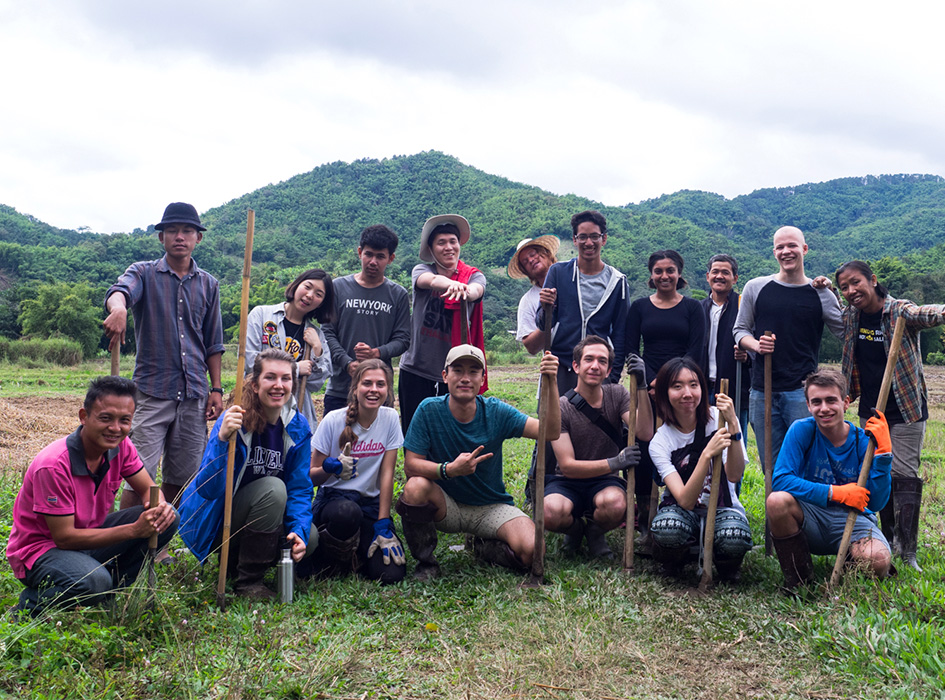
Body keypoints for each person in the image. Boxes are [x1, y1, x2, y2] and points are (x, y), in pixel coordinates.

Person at [7, 376, 179, 616]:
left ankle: (106, 594)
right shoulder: (54, 465)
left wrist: (158, 506)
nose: (115, 428)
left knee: (168, 518)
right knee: (95, 581)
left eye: (124, 420)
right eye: (105, 418)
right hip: (41, 551)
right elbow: (65, 538)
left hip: (89, 537)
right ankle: (27, 609)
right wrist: (133, 531)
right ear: (84, 416)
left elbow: (147, 489)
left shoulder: (120, 447)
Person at [103, 202, 225, 523]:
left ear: (198, 238)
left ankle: (161, 539)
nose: (179, 237)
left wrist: (217, 388)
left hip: (195, 392)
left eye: (187, 231)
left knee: (181, 473)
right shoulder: (144, 272)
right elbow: (120, 292)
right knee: (137, 468)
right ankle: (127, 539)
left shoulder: (209, 284)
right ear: (162, 238)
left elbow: (213, 342)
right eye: (172, 231)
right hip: (153, 391)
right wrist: (118, 309)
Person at [397, 345, 561, 579]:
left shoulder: (496, 411)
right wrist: (450, 470)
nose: (465, 378)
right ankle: (426, 563)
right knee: (414, 488)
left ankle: (483, 546)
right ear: (445, 376)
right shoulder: (428, 410)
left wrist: (552, 382)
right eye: (458, 370)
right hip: (447, 506)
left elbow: (550, 431)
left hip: (490, 507)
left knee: (533, 551)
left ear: (483, 378)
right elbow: (411, 465)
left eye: (473, 371)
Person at [834, 260, 945, 571]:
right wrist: (824, 287)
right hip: (872, 409)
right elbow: (830, 302)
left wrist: (942, 312)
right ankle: (886, 538)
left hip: (907, 407)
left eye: (856, 283)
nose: (851, 291)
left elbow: (921, 313)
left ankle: (907, 551)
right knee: (877, 472)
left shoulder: (897, 310)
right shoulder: (852, 315)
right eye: (844, 287)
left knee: (904, 474)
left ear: (873, 279)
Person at [178, 349, 315, 600]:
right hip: (223, 519)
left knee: (310, 536)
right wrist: (221, 440)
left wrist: (299, 528)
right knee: (274, 489)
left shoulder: (297, 427)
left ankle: (245, 562)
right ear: (254, 384)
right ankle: (248, 580)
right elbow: (208, 489)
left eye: (285, 379)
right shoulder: (234, 421)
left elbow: (300, 487)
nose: (278, 385)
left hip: (263, 517)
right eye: (270, 377)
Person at [767, 369, 892, 589]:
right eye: (816, 402)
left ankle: (848, 565)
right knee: (776, 501)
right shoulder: (801, 431)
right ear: (808, 405)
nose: (824, 408)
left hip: (854, 520)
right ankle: (799, 580)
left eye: (831, 400)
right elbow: (781, 480)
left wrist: (883, 456)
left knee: (878, 560)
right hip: (811, 516)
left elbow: (876, 503)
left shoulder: (863, 441)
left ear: (845, 402)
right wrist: (836, 492)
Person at [733, 226, 843, 470]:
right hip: (762, 392)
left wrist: (834, 292)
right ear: (774, 252)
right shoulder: (755, 287)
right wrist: (756, 345)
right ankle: (774, 509)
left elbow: (846, 330)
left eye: (792, 246)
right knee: (771, 468)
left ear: (804, 249)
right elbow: (740, 330)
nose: (786, 251)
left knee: (806, 464)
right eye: (780, 247)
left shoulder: (820, 293)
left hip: (802, 393)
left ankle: (805, 510)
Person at [546, 337, 652, 559]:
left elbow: (644, 432)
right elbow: (567, 467)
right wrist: (615, 462)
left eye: (602, 361)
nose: (595, 366)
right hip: (567, 482)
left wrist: (641, 385)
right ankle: (575, 531)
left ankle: (595, 531)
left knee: (615, 505)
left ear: (608, 370)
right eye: (589, 359)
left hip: (606, 481)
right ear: (576, 366)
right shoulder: (561, 407)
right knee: (549, 512)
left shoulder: (617, 394)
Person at [648, 358, 751, 580]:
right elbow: (684, 500)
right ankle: (678, 558)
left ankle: (726, 564)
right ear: (665, 393)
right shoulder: (660, 441)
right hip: (681, 510)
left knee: (736, 537)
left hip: (723, 508)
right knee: (667, 528)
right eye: (677, 386)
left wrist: (733, 425)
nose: (687, 393)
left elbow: (734, 474)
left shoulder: (720, 420)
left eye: (693, 384)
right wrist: (706, 454)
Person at [305, 359, 406, 584]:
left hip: (369, 504)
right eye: (367, 383)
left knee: (391, 574)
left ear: (388, 390)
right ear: (355, 388)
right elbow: (310, 476)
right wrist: (331, 468)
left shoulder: (390, 419)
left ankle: (357, 554)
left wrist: (383, 521)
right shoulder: (333, 420)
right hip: (334, 503)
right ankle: (330, 557)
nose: (373, 390)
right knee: (347, 513)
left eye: (380, 384)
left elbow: (387, 473)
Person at [398, 214, 486, 433]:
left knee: (450, 433)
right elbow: (432, 281)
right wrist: (452, 284)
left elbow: (476, 291)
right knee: (415, 433)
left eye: (453, 241)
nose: (449, 247)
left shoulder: (474, 277)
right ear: (432, 249)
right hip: (416, 370)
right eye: (441, 242)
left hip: (455, 373)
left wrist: (465, 289)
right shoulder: (421, 270)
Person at [323, 225, 410, 415]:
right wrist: (347, 363)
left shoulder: (398, 294)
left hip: (378, 390)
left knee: (376, 444)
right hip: (340, 388)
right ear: (359, 252)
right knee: (337, 443)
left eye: (380, 256)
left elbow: (403, 339)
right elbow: (327, 332)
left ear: (391, 258)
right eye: (368, 254)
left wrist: (376, 353)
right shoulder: (338, 288)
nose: (373, 261)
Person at [540, 210, 629, 394]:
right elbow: (542, 323)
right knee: (555, 422)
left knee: (597, 422)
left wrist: (613, 375)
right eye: (583, 237)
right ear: (574, 239)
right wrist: (546, 306)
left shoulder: (618, 281)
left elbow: (621, 332)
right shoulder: (558, 272)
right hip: (561, 367)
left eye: (594, 236)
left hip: (598, 370)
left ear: (603, 239)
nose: (589, 243)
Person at [245, 269, 334, 437]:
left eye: (318, 294)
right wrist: (295, 369)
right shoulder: (261, 315)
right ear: (296, 285)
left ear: (322, 303)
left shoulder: (316, 335)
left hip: (295, 414)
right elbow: (250, 363)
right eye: (307, 287)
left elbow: (315, 384)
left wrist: (317, 350)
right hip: (257, 409)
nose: (309, 295)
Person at [626, 250, 706, 384]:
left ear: (679, 273)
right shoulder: (639, 307)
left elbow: (696, 350)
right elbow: (630, 349)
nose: (664, 276)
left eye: (670, 270)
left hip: (683, 383)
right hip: (647, 383)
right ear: (651, 275)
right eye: (658, 271)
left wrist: (673, 382)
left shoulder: (693, 307)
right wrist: (652, 381)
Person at [701, 254, 750, 434]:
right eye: (715, 272)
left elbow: (755, 341)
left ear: (735, 278)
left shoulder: (744, 306)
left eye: (725, 272)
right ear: (708, 276)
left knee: (734, 443)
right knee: (704, 440)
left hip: (734, 387)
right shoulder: (698, 309)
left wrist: (747, 357)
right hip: (702, 387)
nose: (719, 276)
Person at [508, 235, 559, 355]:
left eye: (532, 254)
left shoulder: (572, 279)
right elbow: (531, 347)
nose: (531, 260)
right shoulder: (528, 300)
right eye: (525, 261)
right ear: (525, 271)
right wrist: (547, 319)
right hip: (555, 365)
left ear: (546, 253)